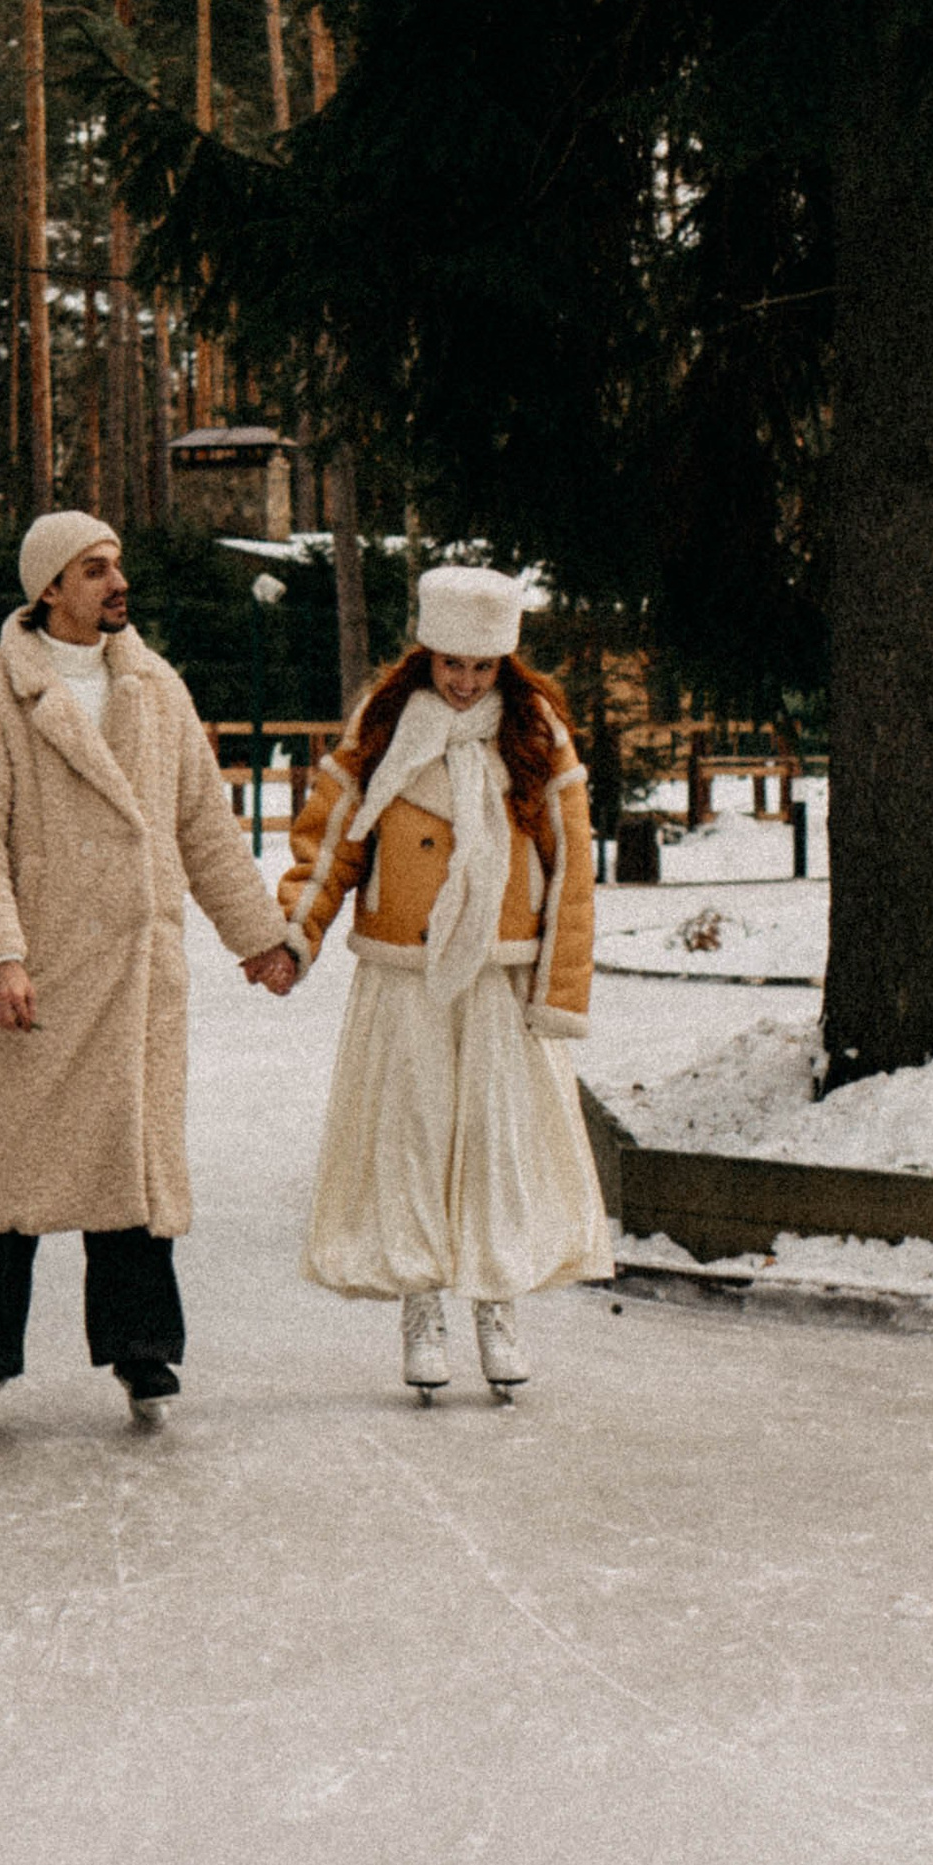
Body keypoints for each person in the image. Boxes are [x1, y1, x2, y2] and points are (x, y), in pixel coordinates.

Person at [0, 510, 296, 1437]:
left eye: (116, 565)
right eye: (94, 569)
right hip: (38, 980)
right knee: (15, 1175)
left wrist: (258, 938)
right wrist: (0, 956)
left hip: (135, 972)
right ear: (49, 587)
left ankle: (144, 1352)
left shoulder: (155, 687)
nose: (114, 582)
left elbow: (203, 829)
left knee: (127, 1169)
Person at [279, 564, 610, 1397]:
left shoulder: (538, 734)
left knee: (496, 1142)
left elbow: (570, 868)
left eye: (482, 666)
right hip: (407, 971)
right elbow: (331, 844)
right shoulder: (383, 727)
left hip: (499, 974)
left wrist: (560, 992)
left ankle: (495, 1303)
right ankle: (421, 1302)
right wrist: (295, 933)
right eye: (450, 663)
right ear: (425, 654)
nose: (463, 683)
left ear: (506, 663)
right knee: (414, 1135)